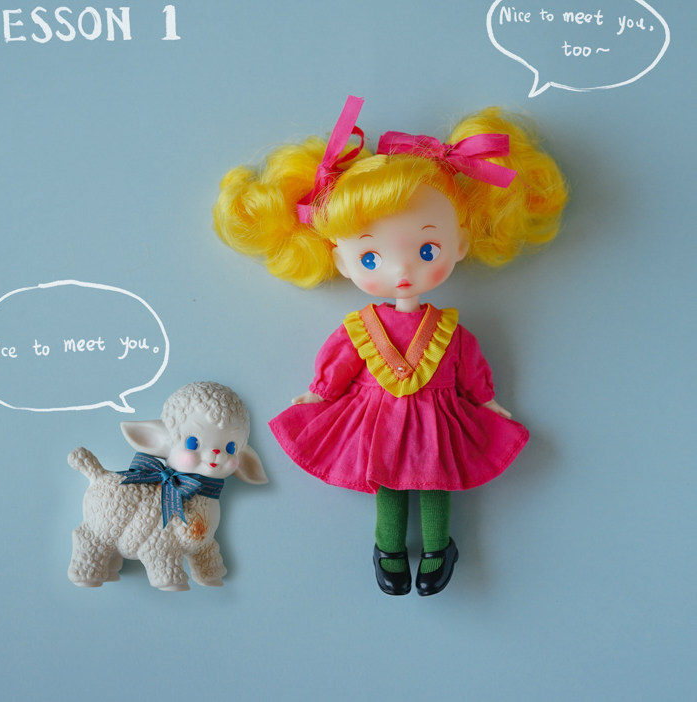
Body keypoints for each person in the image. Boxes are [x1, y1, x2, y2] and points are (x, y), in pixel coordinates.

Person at [213, 96, 567, 596]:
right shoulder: (360, 327)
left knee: (436, 481)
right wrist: (319, 393)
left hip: (437, 419)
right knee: (387, 483)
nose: (403, 271)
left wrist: (486, 401)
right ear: (342, 261)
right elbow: (339, 365)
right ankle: (389, 550)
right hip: (378, 418)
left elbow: (470, 368)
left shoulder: (451, 329)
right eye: (371, 257)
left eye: (427, 250)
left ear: (460, 245)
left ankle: (439, 547)